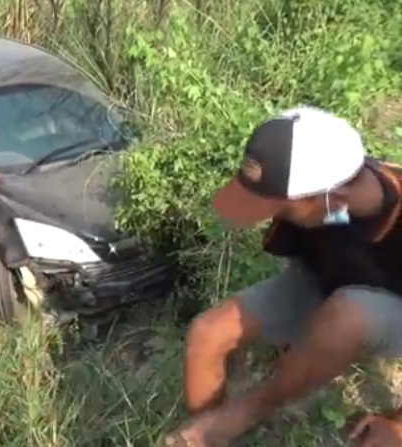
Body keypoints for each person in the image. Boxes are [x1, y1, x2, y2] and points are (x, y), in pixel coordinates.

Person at [165, 107, 402, 447]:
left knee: (346, 315)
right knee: (208, 334)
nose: (267, 217)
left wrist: (398, 425)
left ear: (333, 198)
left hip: (386, 310)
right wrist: (297, 342)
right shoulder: (319, 199)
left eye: (278, 208)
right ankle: (207, 435)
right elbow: (298, 271)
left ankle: (249, 411)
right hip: (333, 286)